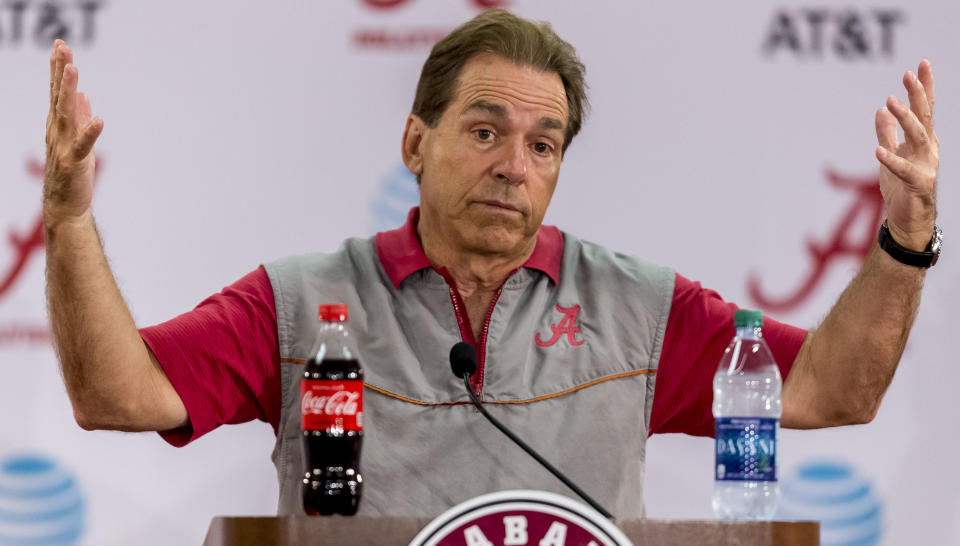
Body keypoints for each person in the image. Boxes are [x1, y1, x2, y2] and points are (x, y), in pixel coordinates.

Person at [43, 10, 940, 518]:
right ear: (416, 142)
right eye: (485, 132)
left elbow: (828, 391)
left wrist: (903, 243)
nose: (515, 164)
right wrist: (71, 220)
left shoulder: (638, 308)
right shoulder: (299, 302)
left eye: (544, 145)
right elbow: (120, 394)